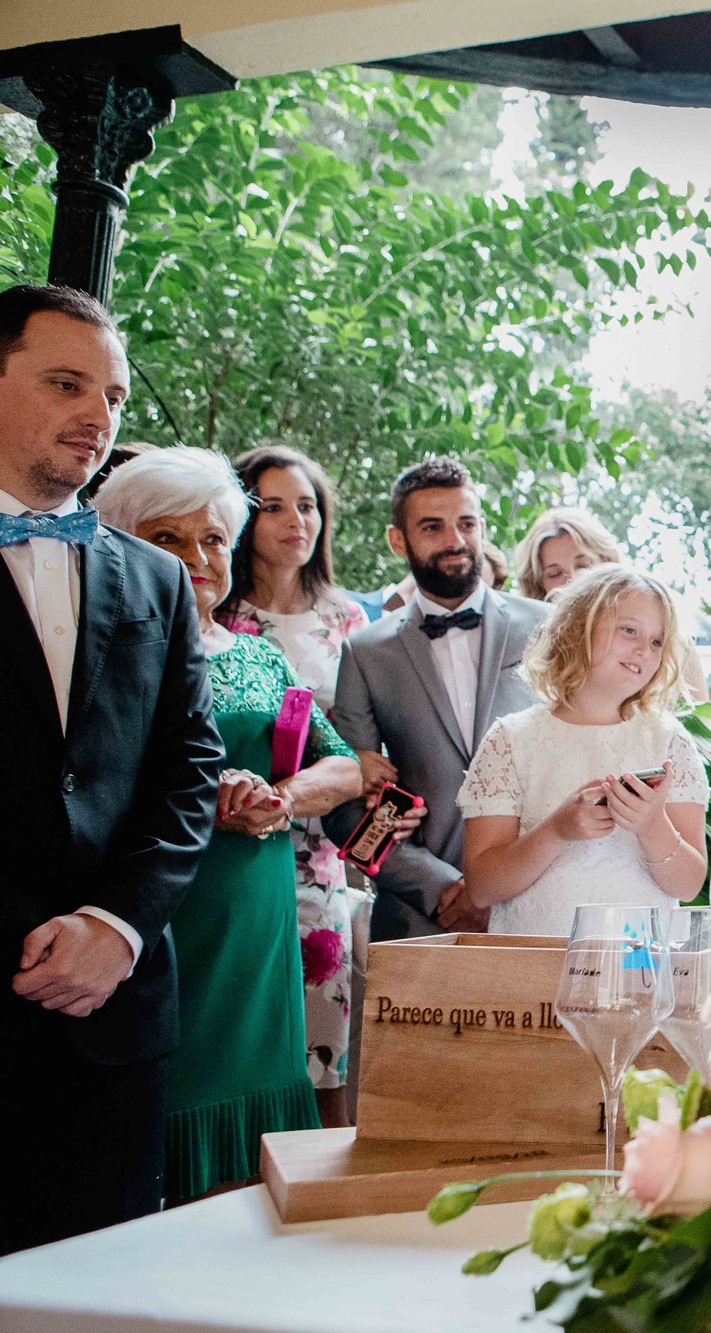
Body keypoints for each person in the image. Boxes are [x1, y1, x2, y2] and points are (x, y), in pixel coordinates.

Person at [0, 287, 224, 1253]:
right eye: (66, 384)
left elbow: (189, 771)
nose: (98, 417)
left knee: (110, 1289)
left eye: (117, 397)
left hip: (118, 1014)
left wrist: (116, 926)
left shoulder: (159, 579)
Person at [96, 447, 362, 1202]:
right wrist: (203, 791)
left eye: (212, 537)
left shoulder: (259, 658)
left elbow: (343, 767)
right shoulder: (104, 651)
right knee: (166, 1118)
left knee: (257, 1149)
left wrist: (280, 795)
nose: (197, 556)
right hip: (167, 909)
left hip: (259, 910)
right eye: (168, 537)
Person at [323, 459, 551, 941]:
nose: (455, 540)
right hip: (421, 920)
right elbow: (346, 811)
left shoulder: (551, 627)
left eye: (466, 523)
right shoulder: (364, 653)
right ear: (397, 540)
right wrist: (442, 890)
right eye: (432, 526)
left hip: (542, 907)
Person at [217, 444, 370, 1127]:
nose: (293, 520)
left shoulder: (347, 621)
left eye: (306, 505)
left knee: (322, 1040)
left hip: (321, 846)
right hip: (227, 837)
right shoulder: (216, 617)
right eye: (272, 505)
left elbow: (366, 739)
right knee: (234, 1027)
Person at [459, 565, 710, 933]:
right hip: (534, 968)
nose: (644, 649)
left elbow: (687, 886)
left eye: (657, 641)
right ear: (577, 629)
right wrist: (556, 831)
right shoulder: (511, 740)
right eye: (629, 630)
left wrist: (652, 826)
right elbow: (482, 888)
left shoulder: (669, 742)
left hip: (638, 970)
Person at [515, 505, 708, 703]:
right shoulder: (533, 657)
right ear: (539, 586)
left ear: (607, 562)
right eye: (555, 574)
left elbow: (702, 722)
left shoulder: (671, 639)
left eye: (583, 566)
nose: (572, 580)